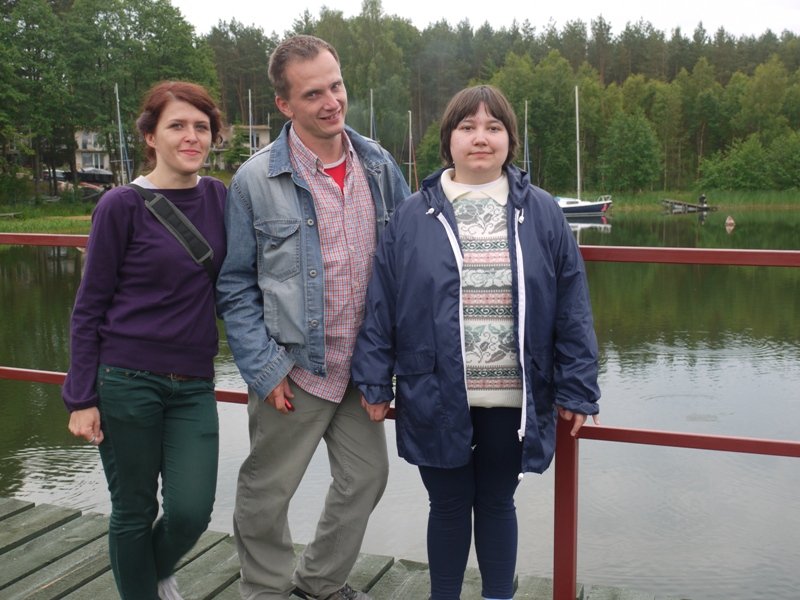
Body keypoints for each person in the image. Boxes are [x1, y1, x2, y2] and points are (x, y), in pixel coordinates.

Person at [351, 85, 601, 600]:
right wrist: (374, 379)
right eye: (467, 127)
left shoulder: (543, 212)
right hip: (435, 389)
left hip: (513, 396)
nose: (480, 138)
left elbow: (572, 304)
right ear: (449, 139)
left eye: (493, 127)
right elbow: (382, 303)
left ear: (510, 139)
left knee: (497, 503)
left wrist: (578, 387)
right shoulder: (412, 216)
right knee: (445, 506)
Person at [216, 35, 411, 600]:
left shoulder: (378, 165)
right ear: (284, 104)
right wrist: (265, 368)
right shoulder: (254, 181)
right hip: (293, 368)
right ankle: (266, 591)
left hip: (360, 367)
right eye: (313, 94)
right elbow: (234, 284)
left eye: (336, 85)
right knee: (267, 492)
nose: (332, 102)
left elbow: (407, 259)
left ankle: (319, 584)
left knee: (367, 477)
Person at [62, 81, 227, 600]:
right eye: (177, 125)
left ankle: (148, 573)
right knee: (134, 509)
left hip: (194, 383)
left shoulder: (219, 198)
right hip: (126, 380)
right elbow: (88, 307)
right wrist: (81, 397)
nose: (191, 136)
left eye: (201, 126)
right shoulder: (120, 205)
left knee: (192, 511)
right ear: (151, 136)